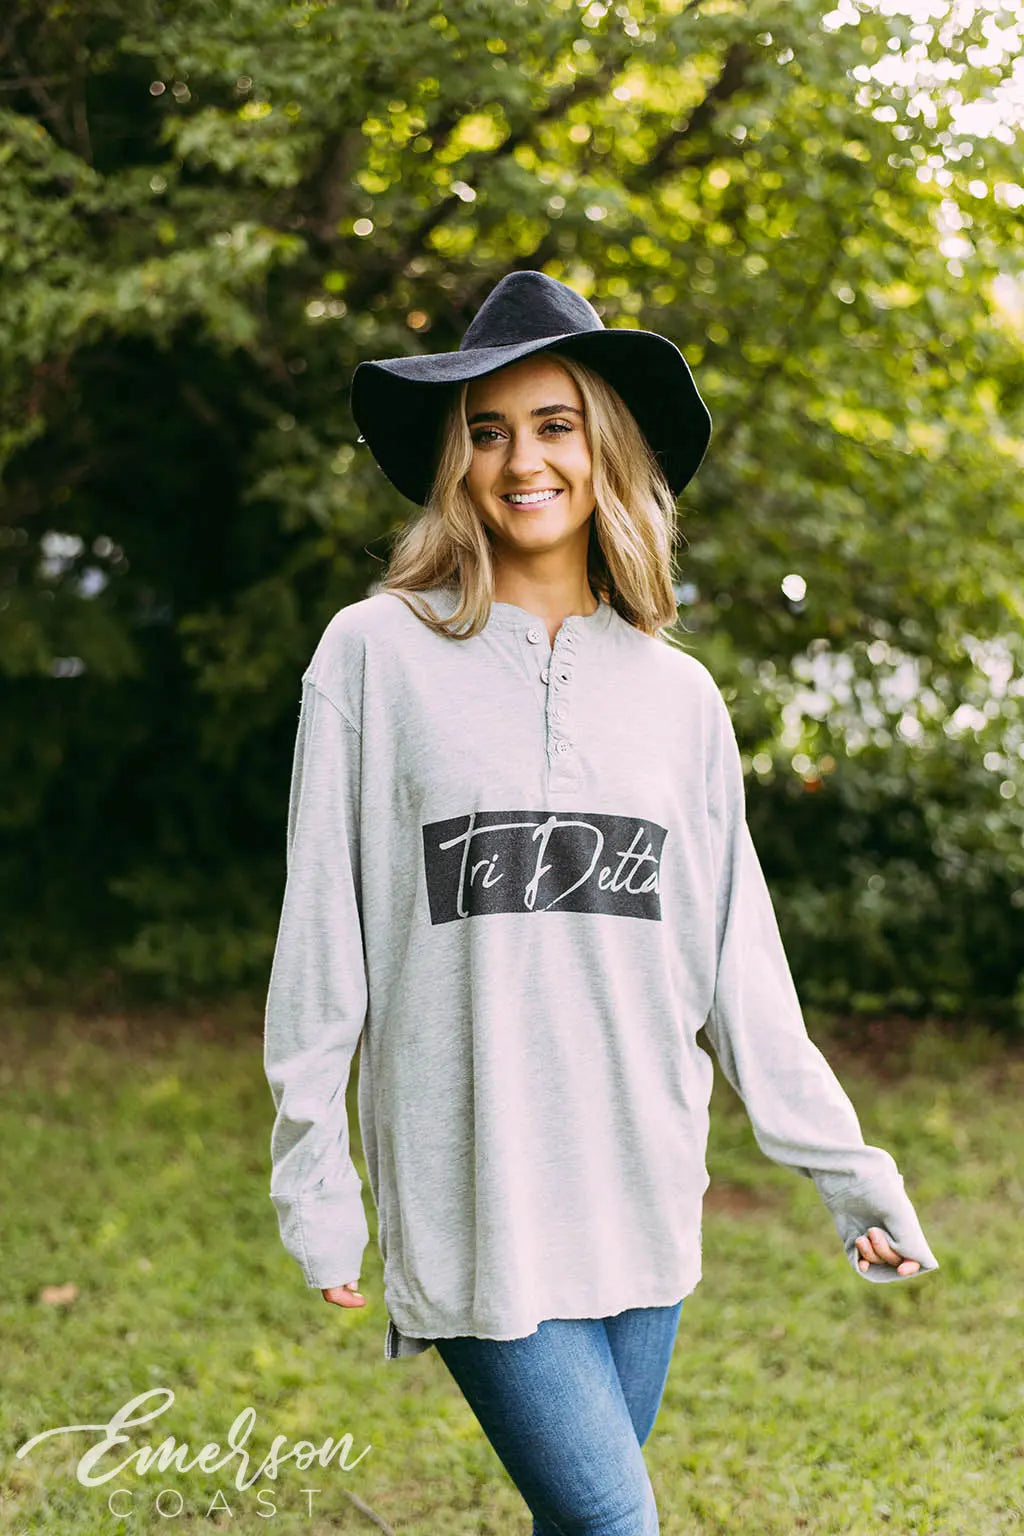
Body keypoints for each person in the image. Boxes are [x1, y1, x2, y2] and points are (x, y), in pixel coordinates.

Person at [262, 270, 940, 1535]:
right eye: (487, 431)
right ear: (456, 463)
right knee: (613, 1523)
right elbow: (322, 941)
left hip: (641, 1187)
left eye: (555, 424)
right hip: (475, 1190)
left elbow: (739, 970)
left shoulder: (678, 698)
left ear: (606, 449)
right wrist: (316, 1179)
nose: (522, 460)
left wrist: (850, 1174)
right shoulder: (373, 654)